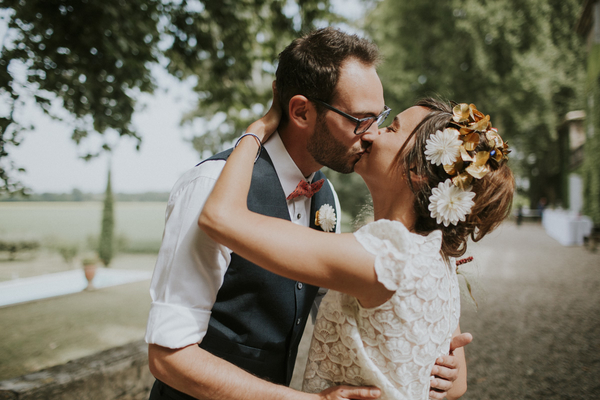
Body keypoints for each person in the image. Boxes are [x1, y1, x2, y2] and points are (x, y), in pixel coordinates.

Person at [146, 27, 468, 400]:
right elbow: (168, 356)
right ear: (300, 111)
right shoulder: (209, 186)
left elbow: (349, 312)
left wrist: (428, 347)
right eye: (360, 119)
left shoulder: (326, 196)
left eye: (381, 119)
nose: (372, 134)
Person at [199, 96, 514, 399]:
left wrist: (257, 131)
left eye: (391, 129)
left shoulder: (387, 255)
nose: (372, 132)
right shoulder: (434, 253)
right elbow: (456, 386)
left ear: (417, 172)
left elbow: (220, 217)